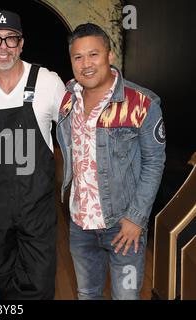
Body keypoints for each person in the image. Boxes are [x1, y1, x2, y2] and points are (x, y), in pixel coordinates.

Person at [56, 23, 166, 300]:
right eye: (77, 57)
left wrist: (136, 219)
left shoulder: (141, 103)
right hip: (80, 223)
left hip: (123, 224)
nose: (86, 64)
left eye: (94, 54)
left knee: (126, 296)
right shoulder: (69, 99)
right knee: (87, 294)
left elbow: (154, 163)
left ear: (110, 56)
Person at [0, 10, 66, 299]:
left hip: (37, 208)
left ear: (21, 44)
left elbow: (77, 135)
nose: (3, 48)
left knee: (39, 281)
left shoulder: (48, 82)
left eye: (11, 39)